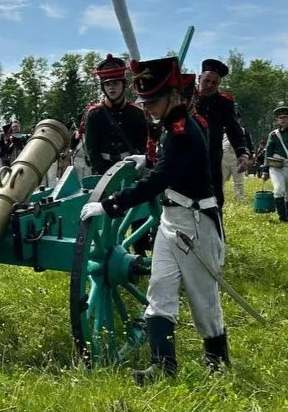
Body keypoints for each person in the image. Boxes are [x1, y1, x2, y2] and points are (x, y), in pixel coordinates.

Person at [79, 56, 229, 382]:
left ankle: (218, 363)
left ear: (172, 96)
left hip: (196, 225)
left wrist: (110, 205)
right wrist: (145, 158)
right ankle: (163, 367)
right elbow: (165, 165)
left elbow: (158, 180)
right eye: (144, 100)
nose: (147, 106)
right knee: (159, 291)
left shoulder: (184, 131)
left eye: (153, 100)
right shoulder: (171, 127)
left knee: (204, 301)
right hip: (170, 221)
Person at [195, 58, 251, 208]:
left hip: (211, 159)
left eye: (214, 83)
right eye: (206, 81)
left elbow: (234, 129)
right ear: (199, 78)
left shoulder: (224, 103)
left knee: (215, 202)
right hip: (185, 158)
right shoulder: (185, 98)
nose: (209, 86)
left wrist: (242, 153)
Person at [83, 54, 149, 175]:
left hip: (132, 168)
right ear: (103, 88)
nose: (111, 88)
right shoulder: (94, 114)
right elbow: (92, 149)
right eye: (107, 84)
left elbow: (144, 144)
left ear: (123, 85)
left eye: (115, 83)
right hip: (103, 171)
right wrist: (101, 172)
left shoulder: (137, 113)